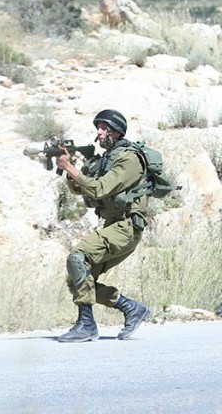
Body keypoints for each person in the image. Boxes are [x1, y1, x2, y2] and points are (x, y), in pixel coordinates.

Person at [54, 109, 152, 342]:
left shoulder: (129, 159)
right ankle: (130, 308)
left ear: (117, 132)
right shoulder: (107, 158)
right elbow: (81, 188)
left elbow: (100, 189)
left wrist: (69, 167)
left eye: (103, 128)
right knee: (77, 279)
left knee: (77, 257)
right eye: (97, 127)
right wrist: (72, 169)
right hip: (112, 225)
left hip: (126, 227)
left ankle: (86, 325)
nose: (98, 132)